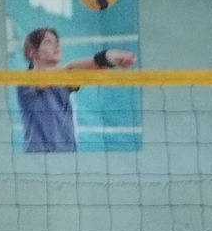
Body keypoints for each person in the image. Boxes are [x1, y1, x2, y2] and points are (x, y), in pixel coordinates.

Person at [15, 26, 134, 154]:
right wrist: (105, 56)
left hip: (68, 156)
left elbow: (86, 68)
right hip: (38, 157)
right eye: (48, 42)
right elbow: (69, 70)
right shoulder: (25, 81)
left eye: (57, 42)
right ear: (32, 52)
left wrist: (108, 59)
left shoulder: (64, 80)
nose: (57, 46)